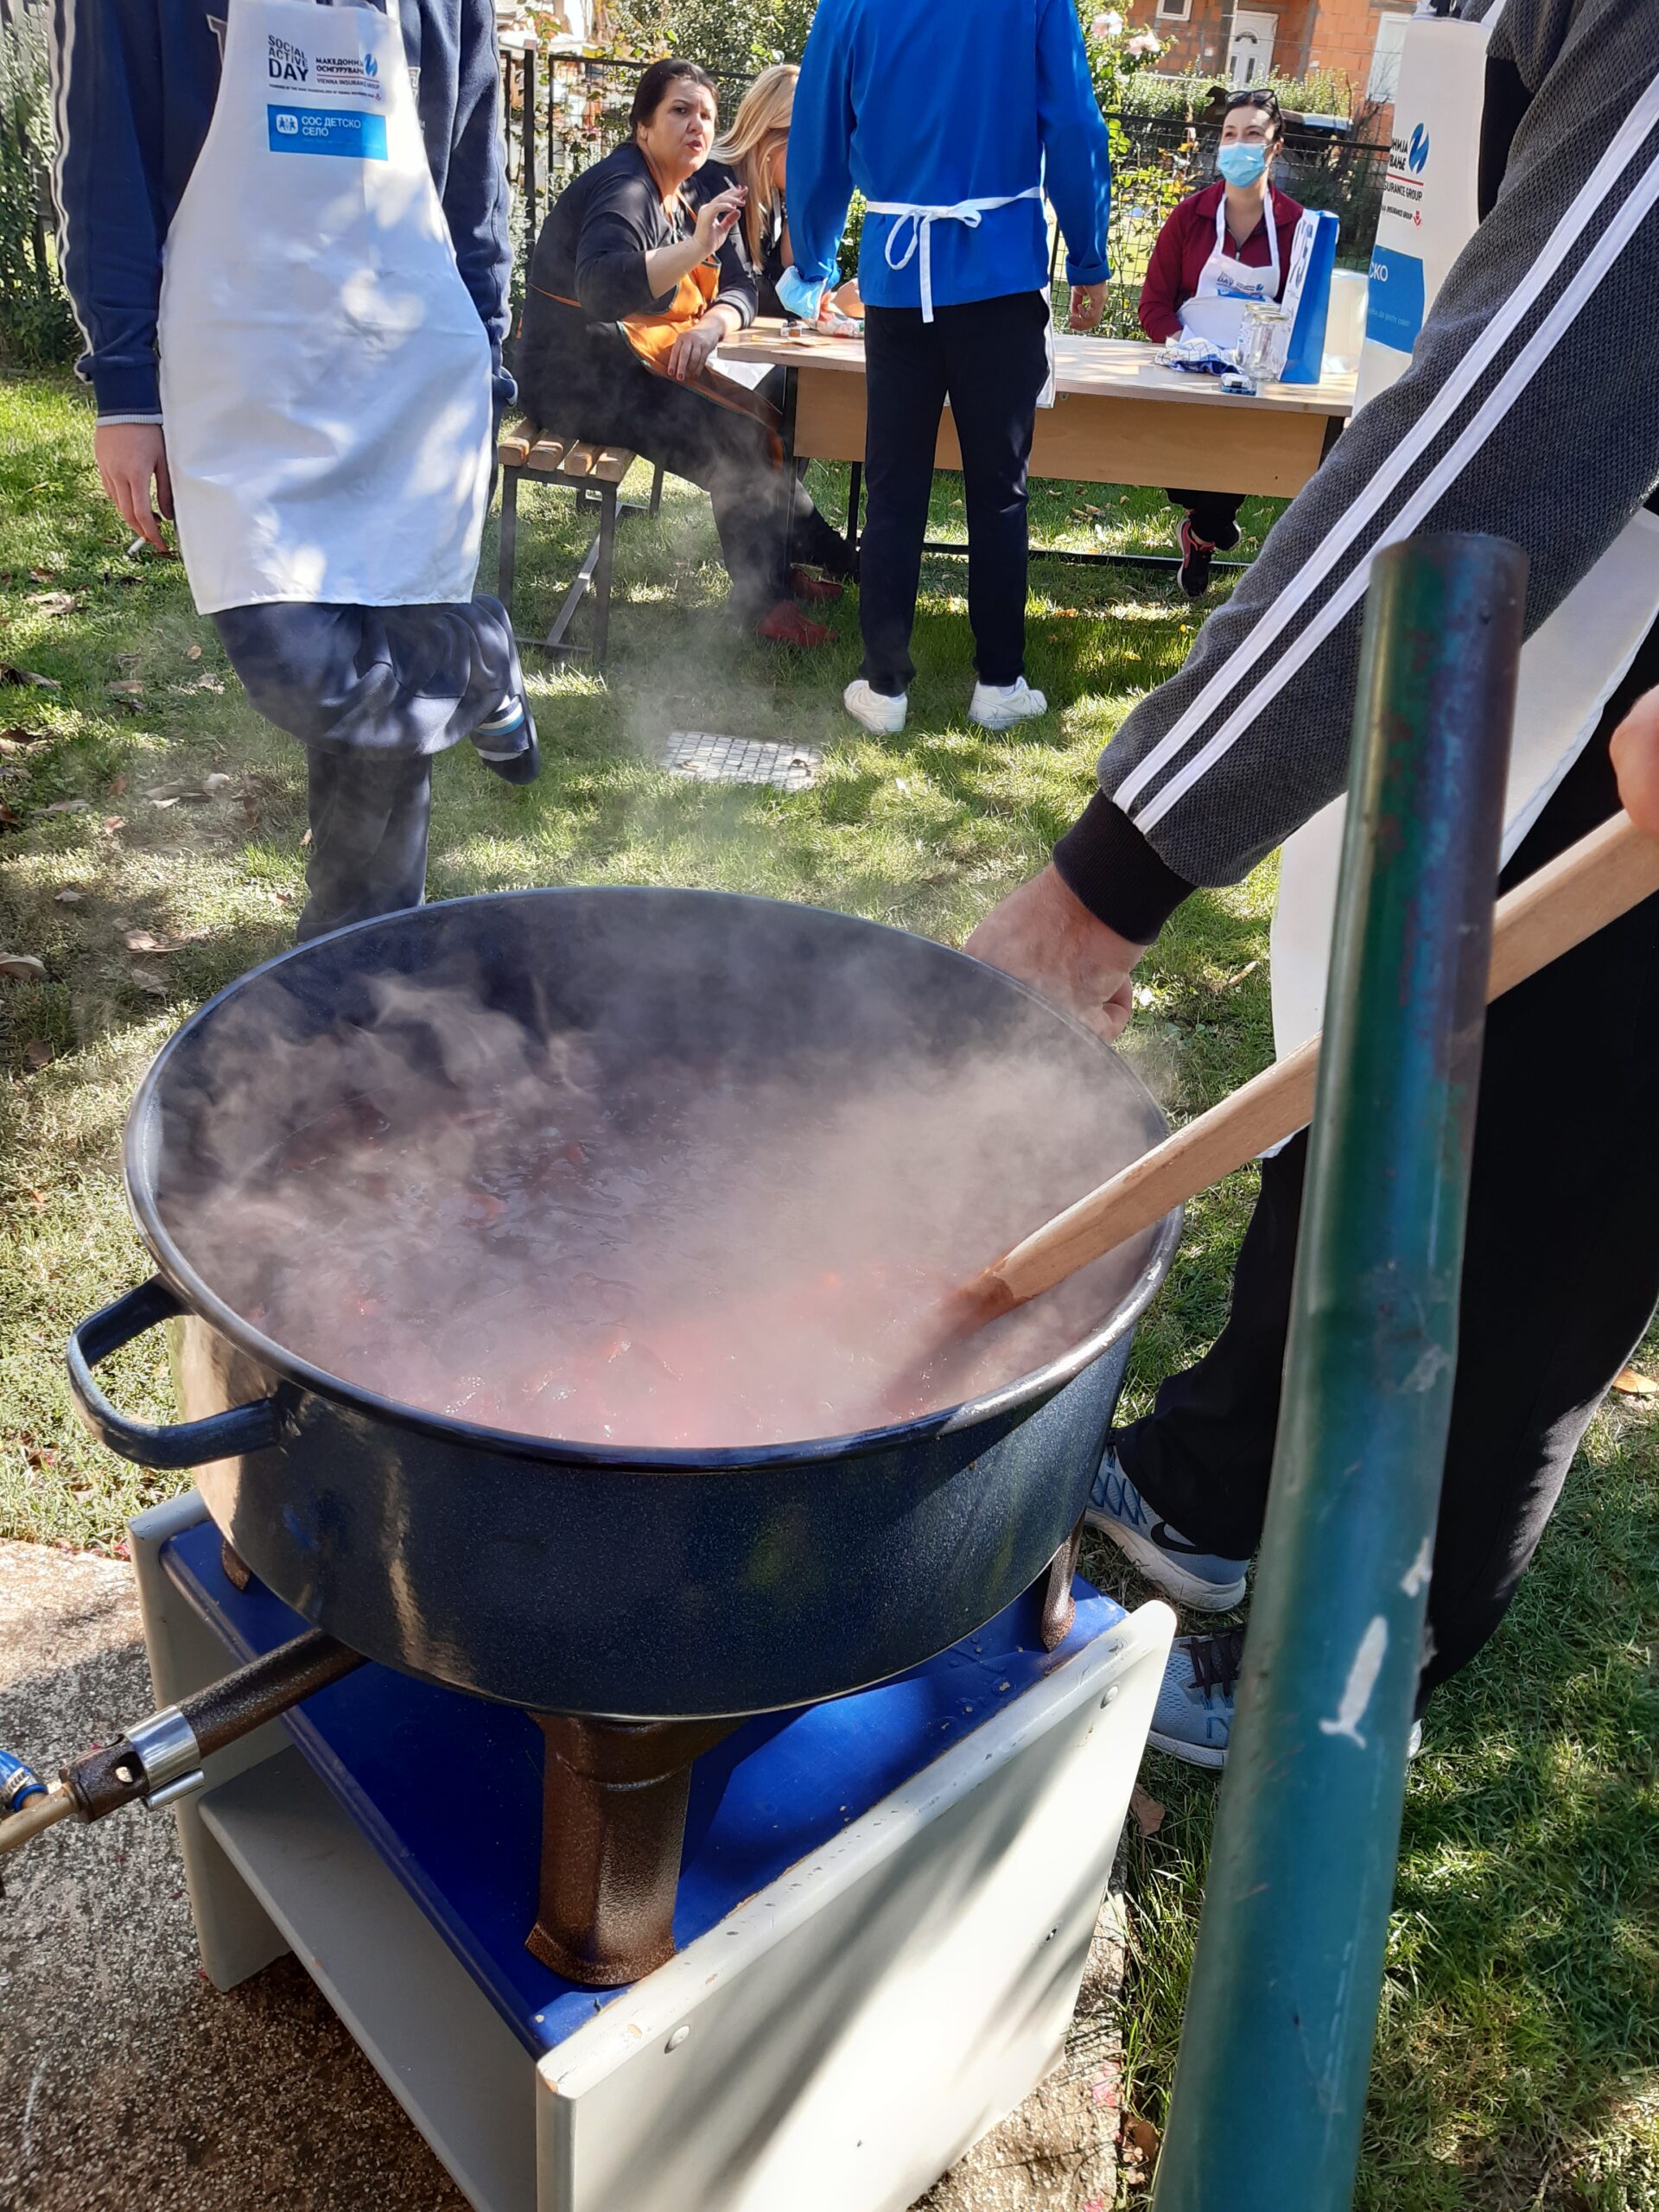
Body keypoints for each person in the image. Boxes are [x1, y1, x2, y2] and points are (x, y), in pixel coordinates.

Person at [963, 0, 1659, 1763]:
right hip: (1532, 628)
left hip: (1616, 655)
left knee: (1546, 1211)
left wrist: (1105, 882)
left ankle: (1344, 1688)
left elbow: (1524, 406)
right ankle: (1217, 1480)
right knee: (1345, 1062)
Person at [54, 0, 537, 944]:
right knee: (295, 661)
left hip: (413, 368)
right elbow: (105, 160)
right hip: (242, 364)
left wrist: (483, 367)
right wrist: (125, 391)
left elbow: (476, 183)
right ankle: (477, 659)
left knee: (387, 721)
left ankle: (357, 957)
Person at [783, 0, 1113, 738]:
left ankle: (884, 689)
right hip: (1000, 278)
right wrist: (1088, 255)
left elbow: (818, 133)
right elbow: (1074, 125)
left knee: (894, 487)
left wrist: (812, 260)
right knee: (999, 491)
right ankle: (998, 683)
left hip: (897, 282)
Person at [514, 58, 849, 647]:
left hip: (632, 364)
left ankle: (776, 570)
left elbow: (741, 288)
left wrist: (711, 327)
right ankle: (763, 602)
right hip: (575, 379)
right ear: (643, 126)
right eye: (680, 111)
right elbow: (600, 288)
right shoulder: (626, 188)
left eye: (707, 115)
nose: (698, 125)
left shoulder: (696, 190)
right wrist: (695, 248)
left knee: (770, 409)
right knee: (735, 437)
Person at [1137, 90, 1305, 598]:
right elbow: (1153, 305)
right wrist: (1192, 350)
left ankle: (1203, 532)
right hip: (1187, 369)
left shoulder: (1298, 226)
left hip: (1257, 379)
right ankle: (1209, 526)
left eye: (1253, 135)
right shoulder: (1188, 217)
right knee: (1191, 461)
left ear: (1275, 147)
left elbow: (1305, 312)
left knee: (1241, 450)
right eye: (1230, 134)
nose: (1239, 145)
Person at [707, 65, 862, 327]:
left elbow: (781, 278)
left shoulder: (771, 191)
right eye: (813, 151)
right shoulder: (717, 181)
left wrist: (800, 208)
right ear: (769, 137)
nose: (818, 166)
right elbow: (741, 288)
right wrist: (831, 300)